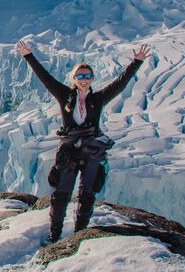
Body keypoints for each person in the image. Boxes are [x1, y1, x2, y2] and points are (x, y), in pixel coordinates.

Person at [17, 40, 151, 243]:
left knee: (87, 194)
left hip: (91, 151)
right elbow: (45, 78)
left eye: (87, 76)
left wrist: (136, 62)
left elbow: (120, 83)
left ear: (92, 78)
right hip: (69, 152)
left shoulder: (98, 99)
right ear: (74, 78)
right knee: (61, 194)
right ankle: (55, 234)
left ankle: (80, 233)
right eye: (80, 76)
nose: (84, 79)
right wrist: (29, 56)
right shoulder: (65, 96)